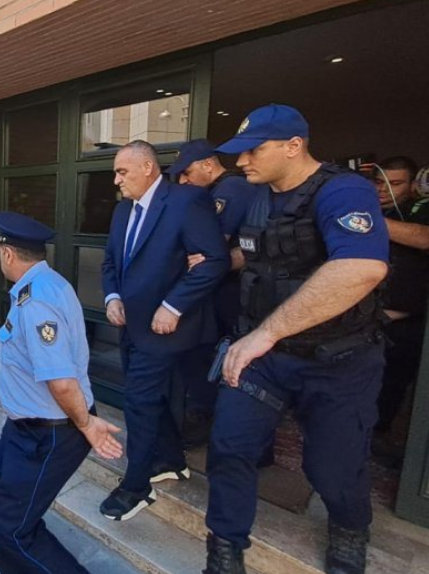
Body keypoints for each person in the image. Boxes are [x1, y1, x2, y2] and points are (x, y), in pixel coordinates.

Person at [205, 104, 389, 574]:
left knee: (333, 466)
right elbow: (260, 255)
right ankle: (224, 549)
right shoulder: (255, 196)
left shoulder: (343, 191)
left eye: (254, 150)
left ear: (294, 146)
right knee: (229, 447)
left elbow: (361, 268)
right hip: (265, 357)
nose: (241, 161)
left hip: (337, 359)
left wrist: (264, 333)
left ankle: (349, 528)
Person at [0, 211, 123, 574]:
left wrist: (86, 424)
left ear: (7, 253)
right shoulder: (46, 283)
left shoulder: (37, 302)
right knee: (0, 501)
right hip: (24, 428)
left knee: (14, 531)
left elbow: (61, 381)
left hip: (47, 434)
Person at [99, 141, 229, 521]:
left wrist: (173, 306)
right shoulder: (122, 211)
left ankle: (136, 486)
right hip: (130, 325)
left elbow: (214, 261)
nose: (116, 180)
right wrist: (111, 297)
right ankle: (170, 460)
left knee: (138, 403)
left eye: (122, 172)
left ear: (148, 168)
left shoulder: (186, 201)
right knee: (150, 399)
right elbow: (111, 262)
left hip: (169, 327)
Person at [166, 139, 266, 449]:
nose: (183, 181)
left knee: (222, 360)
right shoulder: (214, 191)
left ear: (208, 165)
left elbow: (211, 247)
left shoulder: (231, 189)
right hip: (225, 289)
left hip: (235, 293)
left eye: (187, 173)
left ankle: (213, 425)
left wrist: (201, 257)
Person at [373, 156, 429, 435]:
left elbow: (423, 237)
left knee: (391, 387)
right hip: (366, 318)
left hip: (406, 323)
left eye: (395, 184)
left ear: (413, 186)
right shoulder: (373, 209)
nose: (383, 189)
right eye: (379, 182)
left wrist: (364, 219)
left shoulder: (419, 210)